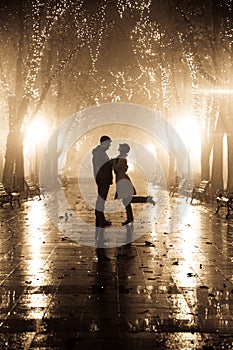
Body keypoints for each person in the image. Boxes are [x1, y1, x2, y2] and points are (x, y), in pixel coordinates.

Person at [113, 143, 155, 226]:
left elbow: (118, 169)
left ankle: (146, 200)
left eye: (120, 147)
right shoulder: (120, 157)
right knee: (126, 201)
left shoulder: (122, 158)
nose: (119, 147)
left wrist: (113, 164)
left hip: (122, 181)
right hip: (121, 179)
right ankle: (130, 218)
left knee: (127, 200)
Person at [92, 135, 113, 228]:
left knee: (102, 199)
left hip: (103, 178)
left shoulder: (100, 152)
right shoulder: (99, 153)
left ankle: (101, 218)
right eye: (108, 143)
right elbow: (100, 167)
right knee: (101, 199)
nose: (109, 145)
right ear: (104, 143)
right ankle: (100, 219)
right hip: (103, 179)